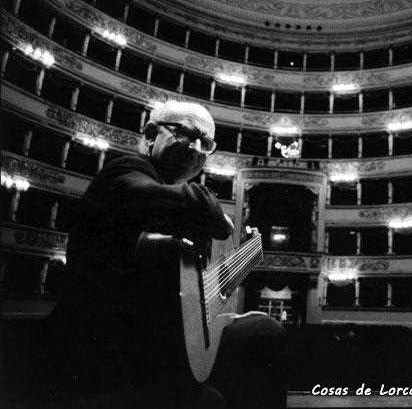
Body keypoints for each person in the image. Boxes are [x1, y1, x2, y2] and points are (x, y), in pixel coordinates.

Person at [49, 100, 288, 408]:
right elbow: (167, 202)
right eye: (187, 134)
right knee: (255, 345)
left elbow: (184, 287)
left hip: (151, 341)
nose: (197, 148)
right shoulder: (124, 171)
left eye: (206, 143)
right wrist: (214, 214)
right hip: (101, 348)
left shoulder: (171, 208)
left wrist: (244, 260)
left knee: (263, 329)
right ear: (151, 135)